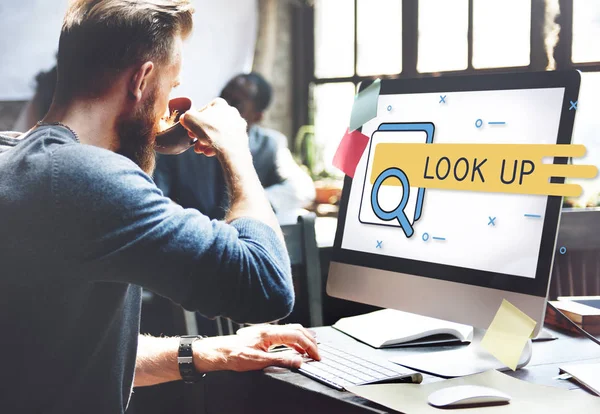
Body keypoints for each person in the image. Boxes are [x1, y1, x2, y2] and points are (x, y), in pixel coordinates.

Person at [0, 1, 319, 414]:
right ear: (142, 79)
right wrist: (236, 149)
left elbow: (68, 356)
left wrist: (214, 351)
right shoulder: (85, 177)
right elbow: (268, 286)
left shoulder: (18, 157)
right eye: (171, 87)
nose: (169, 105)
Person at [154, 72, 315, 221]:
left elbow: (302, 189)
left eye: (236, 103)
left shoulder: (270, 145)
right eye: (223, 96)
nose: (224, 105)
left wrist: (249, 206)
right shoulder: (184, 140)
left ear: (257, 116)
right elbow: (157, 196)